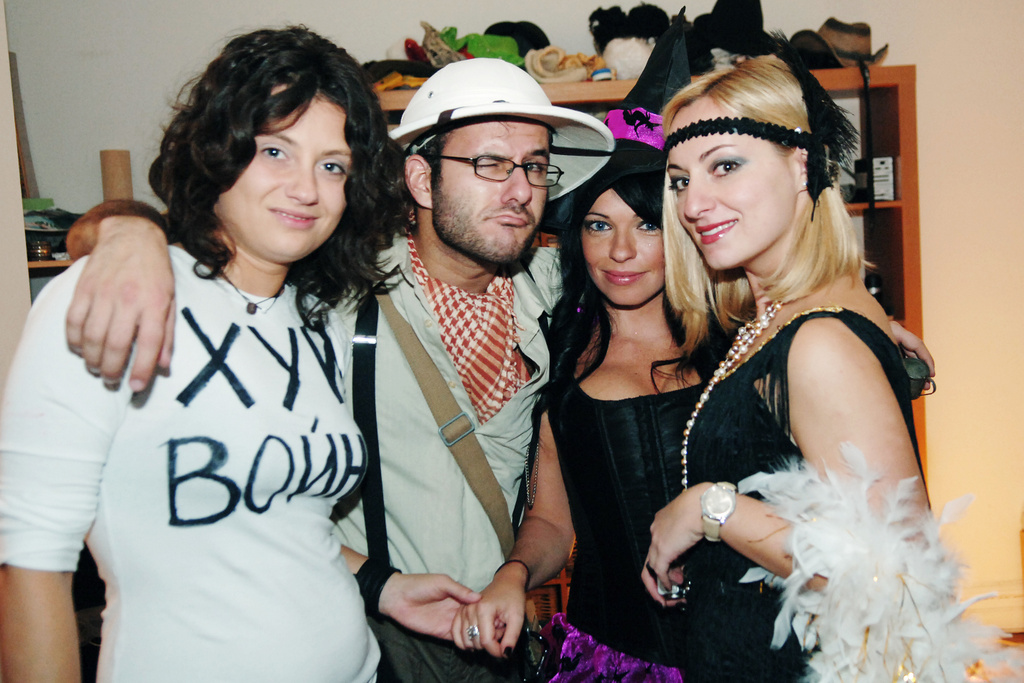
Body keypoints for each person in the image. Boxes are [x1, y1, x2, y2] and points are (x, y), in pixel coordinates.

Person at [53, 56, 617, 682]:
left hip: (502, 638)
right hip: (369, 634)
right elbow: (214, 241)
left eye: (535, 166)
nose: (520, 191)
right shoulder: (336, 285)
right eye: (489, 163)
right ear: (421, 180)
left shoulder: (560, 295)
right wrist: (125, 230)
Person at [0, 26, 477, 683]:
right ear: (219, 150)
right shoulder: (119, 292)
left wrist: (385, 588)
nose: (307, 188)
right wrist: (123, 229)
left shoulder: (315, 321)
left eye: (332, 165)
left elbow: (280, 519)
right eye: (276, 151)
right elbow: (31, 563)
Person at [640, 40, 929, 681]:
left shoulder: (819, 341)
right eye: (681, 181)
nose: (692, 205)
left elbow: (890, 577)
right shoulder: (782, 322)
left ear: (801, 165)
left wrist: (712, 510)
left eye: (724, 166)